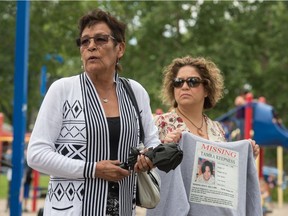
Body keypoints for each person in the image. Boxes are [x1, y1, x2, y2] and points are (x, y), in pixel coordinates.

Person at [27, 9, 160, 216]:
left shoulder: (135, 92)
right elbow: (36, 155)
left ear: (120, 48)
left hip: (123, 209)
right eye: (84, 41)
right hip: (71, 211)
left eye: (100, 39)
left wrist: (148, 157)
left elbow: (153, 142)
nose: (91, 46)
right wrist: (92, 169)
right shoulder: (63, 90)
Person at [147, 56, 261, 216]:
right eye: (178, 82)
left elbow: (223, 178)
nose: (184, 86)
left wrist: (246, 158)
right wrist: (163, 150)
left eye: (192, 81)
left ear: (207, 89)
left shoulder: (217, 129)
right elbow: (144, 167)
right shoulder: (159, 123)